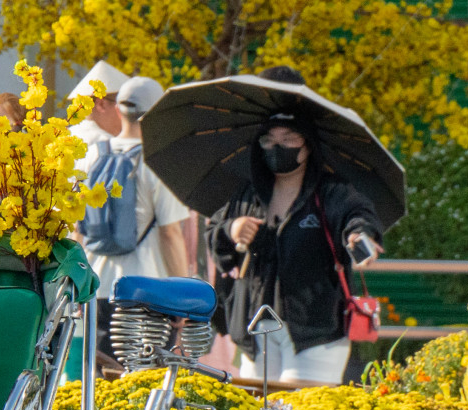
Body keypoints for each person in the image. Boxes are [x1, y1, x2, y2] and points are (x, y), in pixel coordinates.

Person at [209, 67, 384, 385]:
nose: (278, 148)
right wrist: (231, 229)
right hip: (255, 329)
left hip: (315, 328)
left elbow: (357, 217)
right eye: (269, 140)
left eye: (289, 140)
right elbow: (216, 237)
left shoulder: (330, 191)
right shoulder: (248, 192)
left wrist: (360, 237)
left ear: (308, 146)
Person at [75, 74, 194, 357]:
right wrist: (181, 298)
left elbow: (77, 228)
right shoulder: (160, 163)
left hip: (97, 288)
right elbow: (170, 234)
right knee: (142, 382)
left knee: (101, 381)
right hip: (147, 289)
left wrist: (76, 286)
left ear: (119, 110)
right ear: (156, 114)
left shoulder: (92, 156)